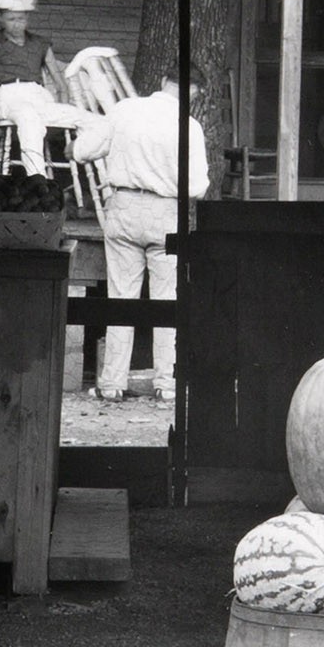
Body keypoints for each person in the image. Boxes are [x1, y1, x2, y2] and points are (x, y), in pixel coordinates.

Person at [75, 56, 210, 399]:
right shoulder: (189, 125)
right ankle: (167, 385)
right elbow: (198, 186)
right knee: (168, 300)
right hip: (167, 212)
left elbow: (84, 150)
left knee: (121, 297)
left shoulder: (125, 110)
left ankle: (112, 385)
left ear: (165, 78)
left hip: (124, 205)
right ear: (193, 91)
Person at [0, 0, 73, 179]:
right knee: (28, 116)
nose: (17, 25)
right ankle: (39, 179)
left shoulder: (40, 43)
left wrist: (63, 113)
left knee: (87, 119)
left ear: (28, 18)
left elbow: (61, 85)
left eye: (21, 19)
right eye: (11, 19)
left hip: (40, 96)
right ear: (0, 17)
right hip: (8, 95)